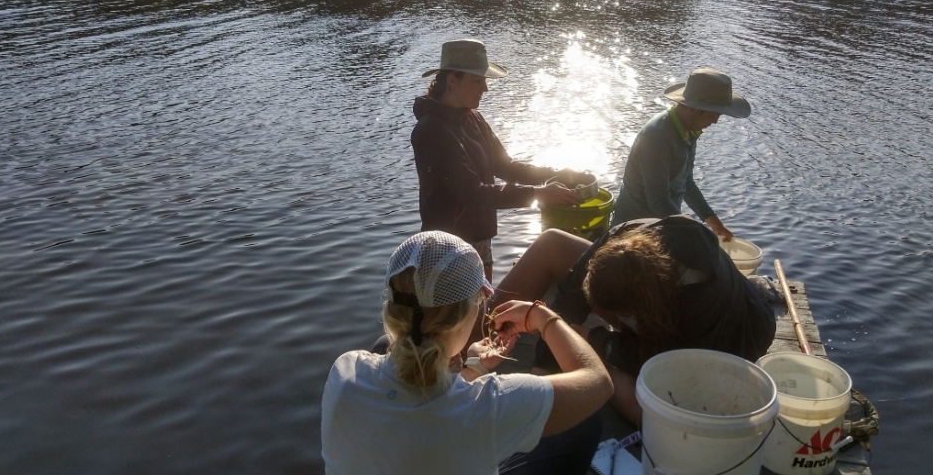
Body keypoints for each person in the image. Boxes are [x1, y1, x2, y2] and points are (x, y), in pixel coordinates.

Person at [320, 231, 614, 475]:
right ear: (466, 316)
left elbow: (422, 414)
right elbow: (598, 383)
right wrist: (544, 317)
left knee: (384, 344)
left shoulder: (344, 372)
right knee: (586, 421)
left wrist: (470, 371)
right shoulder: (488, 409)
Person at [489, 215, 776, 427]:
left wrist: (593, 343)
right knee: (553, 242)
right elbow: (570, 296)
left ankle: (599, 373)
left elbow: (658, 361)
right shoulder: (620, 243)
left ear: (637, 312)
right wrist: (543, 368)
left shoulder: (697, 304)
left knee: (655, 417)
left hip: (736, 336)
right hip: (659, 301)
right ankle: (472, 338)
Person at [412, 39, 586, 280]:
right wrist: (538, 193)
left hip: (479, 241)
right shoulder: (432, 130)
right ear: (452, 80)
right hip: (448, 249)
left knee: (483, 312)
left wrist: (557, 174)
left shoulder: (473, 119)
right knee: (461, 317)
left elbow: (507, 167)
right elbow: (472, 193)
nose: (485, 88)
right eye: (477, 80)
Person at [612, 68, 751, 241]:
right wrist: (691, 231)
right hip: (632, 231)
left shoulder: (689, 130)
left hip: (661, 225)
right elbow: (658, 200)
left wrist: (714, 223)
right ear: (694, 109)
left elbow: (686, 183)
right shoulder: (658, 137)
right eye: (714, 114)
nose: (715, 121)